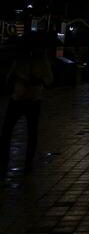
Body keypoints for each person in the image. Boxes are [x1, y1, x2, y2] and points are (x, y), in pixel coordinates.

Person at [1, 34, 53, 175]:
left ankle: (28, 162)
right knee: (6, 132)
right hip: (17, 99)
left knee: (32, 132)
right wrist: (17, 79)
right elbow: (9, 77)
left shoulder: (42, 61)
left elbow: (49, 80)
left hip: (33, 100)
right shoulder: (20, 60)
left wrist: (36, 80)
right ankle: (4, 161)